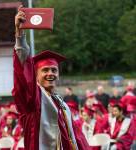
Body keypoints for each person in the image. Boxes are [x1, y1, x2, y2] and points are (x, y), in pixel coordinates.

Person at [12, 7, 90, 150]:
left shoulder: (62, 104)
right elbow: (23, 74)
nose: (51, 73)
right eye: (45, 70)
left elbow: (77, 137)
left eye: (54, 70)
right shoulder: (33, 98)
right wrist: (20, 33)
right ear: (35, 75)